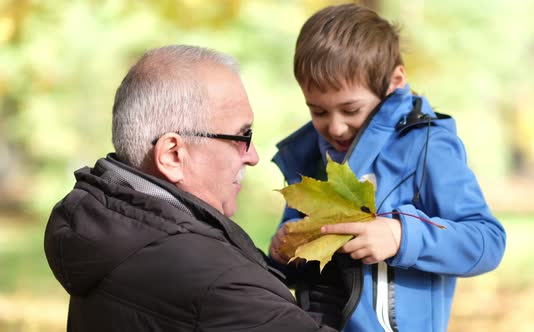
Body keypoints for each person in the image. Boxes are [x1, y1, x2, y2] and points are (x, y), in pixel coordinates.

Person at [44, 45, 337, 332]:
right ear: (173, 155)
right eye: (241, 136)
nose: (253, 155)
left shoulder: (104, 226)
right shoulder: (218, 282)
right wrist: (343, 257)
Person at [269, 4, 507, 332]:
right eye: (319, 112)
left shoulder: (425, 146)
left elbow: (488, 240)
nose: (336, 128)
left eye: (350, 109)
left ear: (394, 82)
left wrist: (401, 236)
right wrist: (283, 252)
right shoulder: (310, 154)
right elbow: (302, 259)